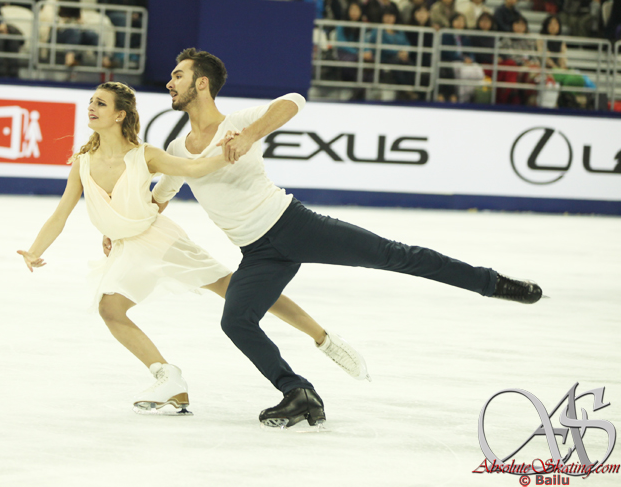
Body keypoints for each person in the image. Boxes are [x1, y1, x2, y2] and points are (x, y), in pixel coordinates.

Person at [152, 48, 543, 429]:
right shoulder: (177, 149)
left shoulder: (239, 122)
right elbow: (161, 195)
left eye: (178, 75)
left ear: (201, 84)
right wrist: (128, 219)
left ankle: (490, 282)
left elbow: (293, 101)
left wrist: (249, 136)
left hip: (294, 226)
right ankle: (298, 392)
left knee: (395, 255)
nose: (170, 82)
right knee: (236, 321)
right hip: (257, 254)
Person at [19, 81, 369, 415]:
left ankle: (323, 338)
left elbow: (194, 167)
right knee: (110, 308)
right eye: (91, 102)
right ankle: (168, 378)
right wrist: (36, 250)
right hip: (127, 247)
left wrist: (230, 150)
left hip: (159, 238)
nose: (91, 108)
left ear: (119, 115)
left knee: (234, 289)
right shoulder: (83, 161)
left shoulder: (144, 155)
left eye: (100, 103)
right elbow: (61, 213)